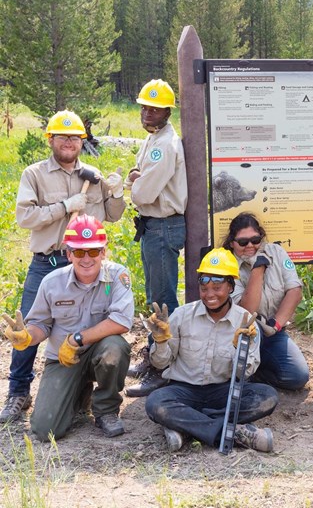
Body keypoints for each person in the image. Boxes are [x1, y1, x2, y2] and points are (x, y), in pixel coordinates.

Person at [1, 110, 125, 424]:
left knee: (93, 325)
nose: (69, 142)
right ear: (51, 139)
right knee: (28, 329)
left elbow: (112, 215)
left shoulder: (93, 175)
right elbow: (25, 217)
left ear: (82, 141)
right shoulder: (35, 174)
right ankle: (18, 392)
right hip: (48, 263)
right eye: (62, 136)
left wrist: (117, 193)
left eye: (75, 137)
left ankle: (85, 386)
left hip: (88, 263)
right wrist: (65, 207)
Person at [2, 215, 134, 440]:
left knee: (115, 348)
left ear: (103, 252)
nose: (86, 258)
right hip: (61, 360)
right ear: (68, 253)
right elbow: (41, 325)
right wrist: (27, 337)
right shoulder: (52, 282)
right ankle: (79, 393)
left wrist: (77, 339)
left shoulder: (118, 276)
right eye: (79, 252)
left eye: (93, 251)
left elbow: (121, 321)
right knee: (45, 430)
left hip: (97, 353)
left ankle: (106, 410)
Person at [144, 248, 278, 453]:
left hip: (223, 392)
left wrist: (239, 349)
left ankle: (186, 427)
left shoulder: (245, 321)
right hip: (184, 390)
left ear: (231, 287)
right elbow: (160, 364)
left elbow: (244, 375)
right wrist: (160, 341)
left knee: (267, 397)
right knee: (156, 402)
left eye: (217, 287)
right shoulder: (182, 315)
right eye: (204, 288)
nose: (210, 294)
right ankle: (232, 432)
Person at [125, 79, 188, 397]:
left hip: (163, 225)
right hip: (154, 225)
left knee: (163, 299)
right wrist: (136, 179)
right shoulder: (153, 140)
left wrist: (136, 183)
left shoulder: (165, 144)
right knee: (155, 295)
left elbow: (144, 191)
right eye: (144, 107)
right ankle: (155, 355)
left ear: (167, 111)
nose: (147, 113)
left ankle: (165, 368)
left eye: (155, 108)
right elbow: (137, 177)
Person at [221, 212, 309, 391]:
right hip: (241, 334)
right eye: (243, 242)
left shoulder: (276, 252)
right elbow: (247, 310)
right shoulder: (227, 263)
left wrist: (275, 324)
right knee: (235, 375)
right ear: (232, 243)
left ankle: (258, 373)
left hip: (272, 329)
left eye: (255, 240)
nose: (250, 246)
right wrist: (258, 268)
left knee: (297, 377)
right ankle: (245, 373)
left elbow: (295, 290)